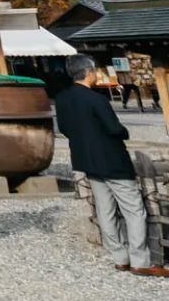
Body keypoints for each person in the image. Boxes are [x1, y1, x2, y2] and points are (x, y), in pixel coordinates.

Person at [55, 53, 167, 275]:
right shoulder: (96, 99)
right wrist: (124, 132)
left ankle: (119, 256)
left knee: (105, 210)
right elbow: (114, 128)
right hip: (112, 159)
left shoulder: (62, 98)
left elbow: (65, 129)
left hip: (86, 159)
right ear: (89, 73)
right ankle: (140, 261)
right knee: (134, 209)